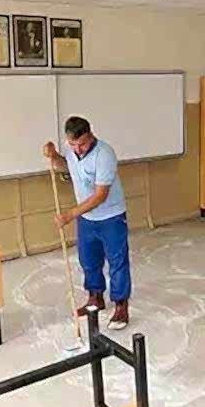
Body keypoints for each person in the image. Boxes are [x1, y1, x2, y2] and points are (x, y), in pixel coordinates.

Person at [43, 116, 131, 330]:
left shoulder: (104, 154)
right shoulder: (72, 151)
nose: (78, 149)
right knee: (88, 260)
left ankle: (121, 306)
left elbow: (100, 195)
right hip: (87, 218)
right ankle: (95, 297)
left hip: (111, 217)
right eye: (72, 144)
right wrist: (54, 156)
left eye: (82, 144)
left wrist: (70, 215)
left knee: (117, 261)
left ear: (90, 135)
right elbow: (66, 167)